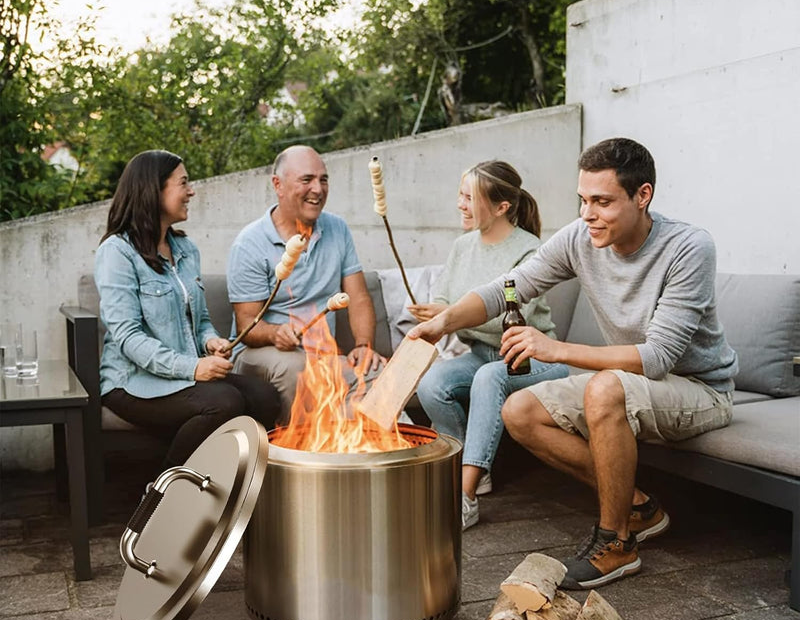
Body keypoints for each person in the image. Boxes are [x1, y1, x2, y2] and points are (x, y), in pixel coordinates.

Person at [409, 138, 737, 589]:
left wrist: (555, 348)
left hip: (699, 388)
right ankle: (640, 508)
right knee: (520, 411)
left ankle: (616, 542)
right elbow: (507, 287)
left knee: (604, 387)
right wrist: (443, 322)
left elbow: (657, 357)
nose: (588, 214)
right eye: (583, 200)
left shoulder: (689, 247)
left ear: (643, 196)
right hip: (630, 380)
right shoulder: (582, 237)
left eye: (602, 201)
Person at [95, 150, 281, 470]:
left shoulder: (185, 249)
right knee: (224, 403)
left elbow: (201, 320)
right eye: (184, 183)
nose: (191, 191)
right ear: (154, 190)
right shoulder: (117, 253)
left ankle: (225, 484)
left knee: (265, 396)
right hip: (133, 382)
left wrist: (210, 341)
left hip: (183, 376)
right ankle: (165, 496)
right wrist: (193, 367)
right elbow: (127, 337)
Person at [409, 161, 568, 531]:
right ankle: (472, 465)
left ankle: (464, 498)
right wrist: (438, 311)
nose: (460, 205)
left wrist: (451, 312)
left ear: (502, 207)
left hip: (531, 358)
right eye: (460, 195)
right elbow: (445, 296)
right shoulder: (462, 246)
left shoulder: (529, 251)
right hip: (481, 355)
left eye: (469, 197)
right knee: (432, 384)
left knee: (488, 380)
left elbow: (507, 318)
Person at [227, 145, 382, 419]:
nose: (318, 189)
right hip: (260, 354)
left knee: (379, 373)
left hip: (321, 356)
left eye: (323, 179)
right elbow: (246, 325)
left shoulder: (338, 229)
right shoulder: (249, 243)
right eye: (307, 180)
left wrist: (363, 345)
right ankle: (297, 455)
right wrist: (275, 333)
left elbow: (357, 298)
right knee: (297, 367)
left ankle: (341, 452)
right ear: (279, 185)